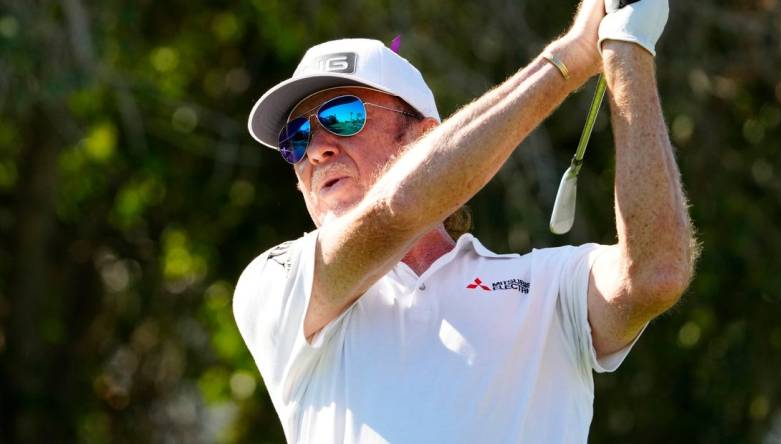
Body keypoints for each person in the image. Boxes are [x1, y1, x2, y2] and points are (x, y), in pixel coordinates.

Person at [233, 0, 696, 442]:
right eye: (296, 138)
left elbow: (655, 274)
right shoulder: (277, 282)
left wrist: (627, 48)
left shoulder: (548, 286)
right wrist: (569, 59)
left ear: (424, 137)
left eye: (343, 116)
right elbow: (398, 211)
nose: (316, 149)